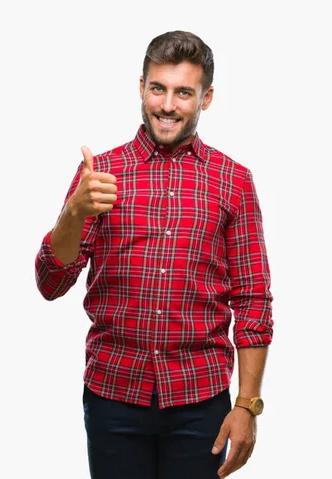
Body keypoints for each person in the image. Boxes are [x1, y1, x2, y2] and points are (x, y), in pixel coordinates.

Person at [34, 30, 274, 479]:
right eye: (157, 89)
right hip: (112, 395)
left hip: (200, 400)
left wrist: (247, 404)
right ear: (140, 87)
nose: (167, 105)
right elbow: (51, 283)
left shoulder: (234, 181)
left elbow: (254, 298)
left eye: (184, 92)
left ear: (206, 98)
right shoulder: (99, 175)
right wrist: (74, 212)